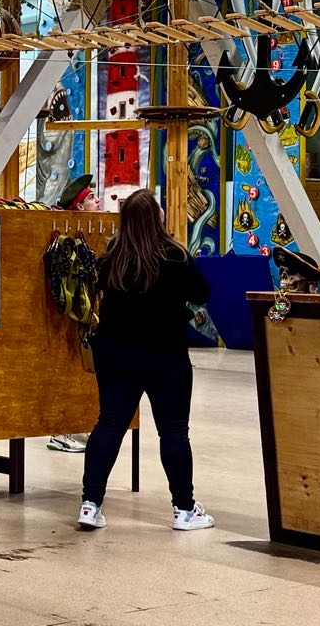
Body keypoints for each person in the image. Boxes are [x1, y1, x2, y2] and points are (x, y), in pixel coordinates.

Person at [78, 189, 214, 531]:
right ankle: (184, 509)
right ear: (157, 218)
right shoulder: (176, 256)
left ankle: (90, 504)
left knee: (110, 424)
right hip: (165, 354)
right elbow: (202, 293)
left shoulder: (111, 257)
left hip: (115, 353)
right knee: (173, 430)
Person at [49, 173, 100, 454]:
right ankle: (62, 430)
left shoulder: (94, 235)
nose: (98, 200)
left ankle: (78, 425)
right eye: (91, 198)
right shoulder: (68, 241)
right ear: (79, 207)